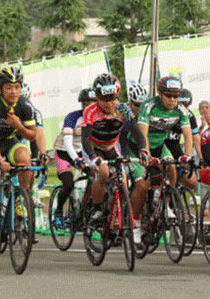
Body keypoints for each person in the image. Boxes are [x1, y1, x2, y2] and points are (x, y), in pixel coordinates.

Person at [0, 67, 36, 259]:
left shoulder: (25, 106)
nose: (14, 91)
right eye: (9, 87)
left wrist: (18, 125)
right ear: (1, 88)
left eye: (17, 87)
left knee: (25, 159)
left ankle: (20, 199)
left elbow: (32, 135)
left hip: (10, 141)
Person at [129, 77, 194, 244]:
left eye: (176, 96)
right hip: (138, 146)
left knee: (171, 167)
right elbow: (143, 134)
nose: (172, 100)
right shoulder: (148, 106)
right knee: (143, 186)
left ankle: (163, 202)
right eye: (168, 96)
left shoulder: (180, 109)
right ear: (160, 94)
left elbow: (187, 134)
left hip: (159, 145)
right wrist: (148, 156)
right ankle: (135, 224)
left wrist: (187, 155)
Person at [82, 74, 145, 230]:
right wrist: (92, 157)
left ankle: (116, 213)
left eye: (113, 99)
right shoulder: (90, 111)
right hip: (93, 147)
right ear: (97, 98)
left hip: (111, 146)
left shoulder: (124, 110)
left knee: (122, 179)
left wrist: (143, 149)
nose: (110, 104)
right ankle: (97, 210)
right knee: (103, 173)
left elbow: (137, 132)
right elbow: (85, 139)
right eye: (105, 100)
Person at [51, 88, 97, 227]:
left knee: (95, 177)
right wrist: (76, 160)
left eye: (92, 104)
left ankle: (83, 210)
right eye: (85, 104)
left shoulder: (97, 118)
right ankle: (58, 211)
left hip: (81, 152)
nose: (88, 107)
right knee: (68, 183)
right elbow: (68, 143)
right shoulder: (73, 117)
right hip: (64, 152)